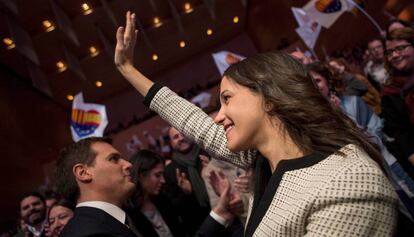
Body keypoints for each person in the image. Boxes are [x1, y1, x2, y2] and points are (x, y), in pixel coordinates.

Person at [115, 11, 398, 236]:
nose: (217, 116)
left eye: (227, 99)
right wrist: (128, 70)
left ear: (270, 98)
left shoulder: (346, 182)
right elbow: (193, 122)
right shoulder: (263, 158)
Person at [55, 137, 139, 237]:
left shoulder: (100, 224)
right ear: (83, 173)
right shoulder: (91, 233)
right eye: (113, 159)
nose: (128, 164)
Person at [126, 150, 187, 237]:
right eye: (157, 175)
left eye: (162, 175)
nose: (163, 180)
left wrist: (187, 193)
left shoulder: (162, 199)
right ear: (141, 175)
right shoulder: (129, 213)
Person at [382, 27, 414, 178]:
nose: (394, 55)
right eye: (389, 52)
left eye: (400, 48)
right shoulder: (390, 92)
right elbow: (399, 131)